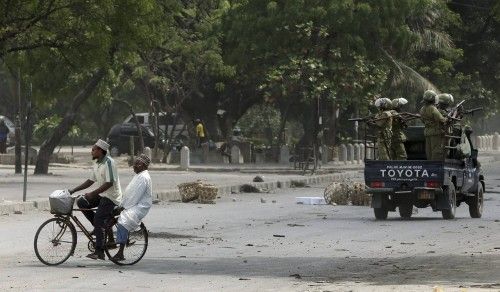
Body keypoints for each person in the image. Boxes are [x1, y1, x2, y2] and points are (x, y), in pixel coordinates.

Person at [69, 139, 122, 260]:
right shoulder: (97, 163)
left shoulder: (109, 162)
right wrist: (73, 190)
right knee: (81, 202)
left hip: (112, 197)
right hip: (103, 195)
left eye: (93, 149)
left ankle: (99, 251)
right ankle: (101, 229)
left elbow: (109, 183)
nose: (91, 151)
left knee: (98, 218)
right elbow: (90, 181)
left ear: (100, 151)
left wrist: (93, 193)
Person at [111, 153, 153, 261]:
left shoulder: (143, 177)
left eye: (137, 164)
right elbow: (130, 193)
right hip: (133, 203)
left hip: (139, 206)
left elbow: (135, 196)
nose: (134, 166)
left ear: (143, 165)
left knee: (123, 220)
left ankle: (120, 252)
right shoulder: (139, 175)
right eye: (134, 164)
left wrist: (123, 207)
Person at [419, 90, 448, 160]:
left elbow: (422, 120)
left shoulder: (422, 109)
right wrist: (447, 118)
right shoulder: (433, 108)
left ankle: (430, 167)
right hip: (435, 132)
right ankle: (435, 167)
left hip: (427, 132)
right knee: (436, 151)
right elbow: (442, 120)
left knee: (429, 152)